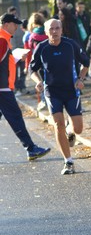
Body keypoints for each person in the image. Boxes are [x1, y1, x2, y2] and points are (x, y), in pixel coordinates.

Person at [30, 18, 90, 175]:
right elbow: (32, 70)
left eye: (57, 28)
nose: (54, 31)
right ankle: (68, 161)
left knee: (78, 128)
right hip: (52, 91)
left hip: (71, 90)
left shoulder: (70, 45)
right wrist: (38, 82)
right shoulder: (41, 48)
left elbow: (86, 63)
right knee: (58, 124)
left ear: (62, 30)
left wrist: (81, 79)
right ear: (46, 31)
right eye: (51, 29)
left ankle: (71, 132)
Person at [0, 13, 50, 161]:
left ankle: (31, 148)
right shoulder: (2, 40)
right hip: (2, 87)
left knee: (14, 117)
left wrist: (14, 58)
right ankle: (31, 148)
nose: (16, 27)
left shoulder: (4, 40)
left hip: (4, 86)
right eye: (14, 24)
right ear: (6, 24)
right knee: (15, 117)